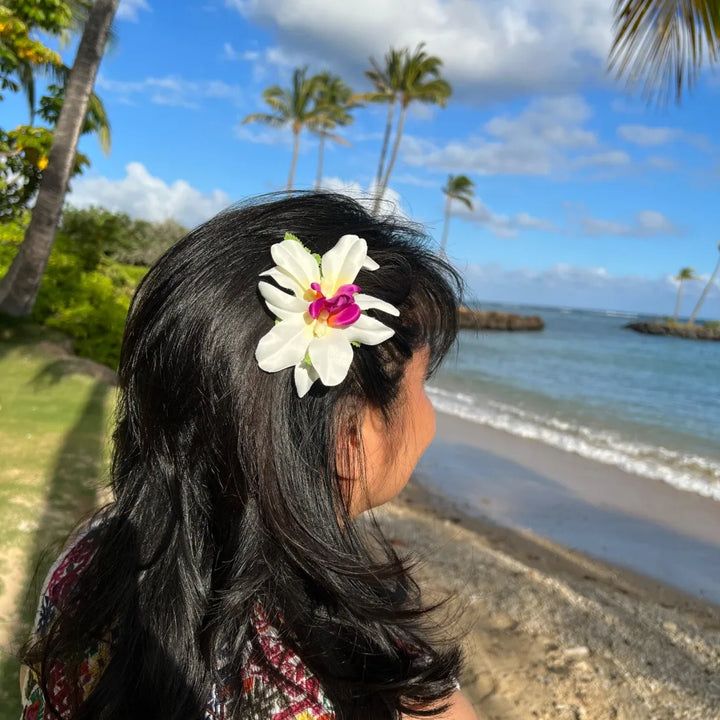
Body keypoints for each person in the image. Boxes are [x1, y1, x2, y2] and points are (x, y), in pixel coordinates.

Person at [20, 192, 477, 720]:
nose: (429, 415)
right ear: (348, 438)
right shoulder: (352, 677)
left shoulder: (88, 561)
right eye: (423, 385)